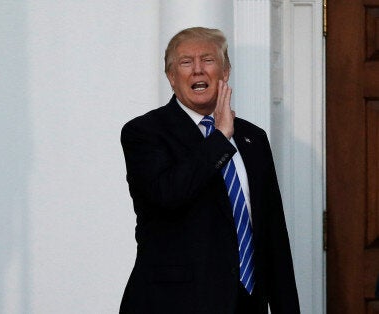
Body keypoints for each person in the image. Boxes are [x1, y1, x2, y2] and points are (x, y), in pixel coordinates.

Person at [119, 27, 300, 313]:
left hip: (246, 302)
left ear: (225, 72)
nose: (198, 70)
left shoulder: (253, 138)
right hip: (174, 304)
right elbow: (168, 195)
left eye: (208, 60)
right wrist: (219, 139)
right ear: (171, 77)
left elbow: (272, 232)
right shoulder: (144, 132)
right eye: (186, 62)